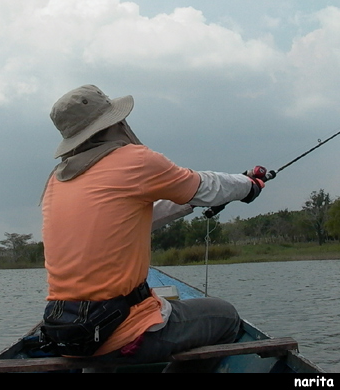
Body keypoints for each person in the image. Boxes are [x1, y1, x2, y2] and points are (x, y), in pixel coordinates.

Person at [41, 84, 265, 369]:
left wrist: (189, 203)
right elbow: (206, 187)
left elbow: (136, 219)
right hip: (121, 334)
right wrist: (247, 186)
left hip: (69, 334)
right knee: (226, 317)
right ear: (113, 122)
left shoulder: (56, 181)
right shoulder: (134, 161)